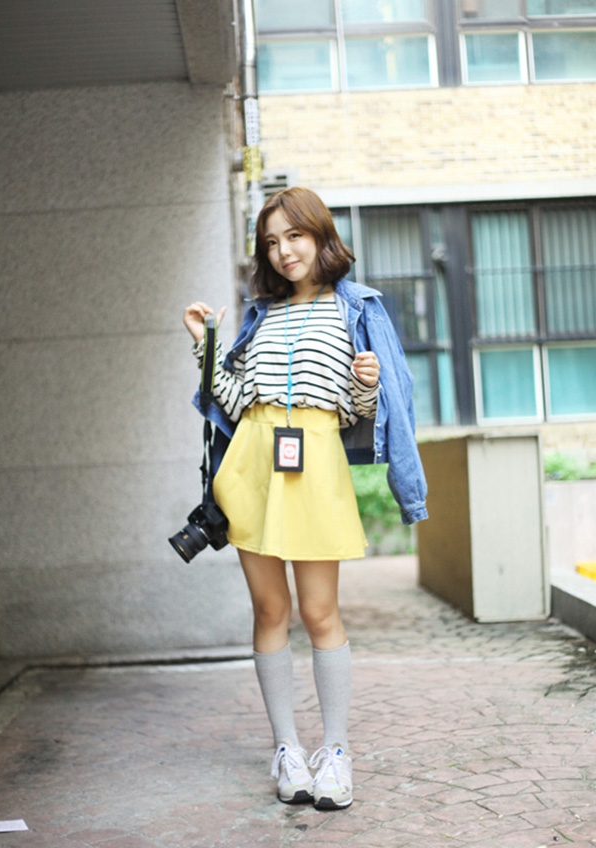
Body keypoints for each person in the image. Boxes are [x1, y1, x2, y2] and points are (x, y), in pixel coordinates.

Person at [183, 187, 427, 811]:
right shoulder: (262, 314)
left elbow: (360, 411)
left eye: (294, 235)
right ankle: (287, 749)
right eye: (271, 241)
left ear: (320, 236)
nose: (283, 251)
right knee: (270, 610)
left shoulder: (356, 307)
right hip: (252, 468)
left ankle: (336, 752)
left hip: (315, 463)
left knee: (320, 613)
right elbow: (233, 402)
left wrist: (367, 386)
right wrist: (205, 346)